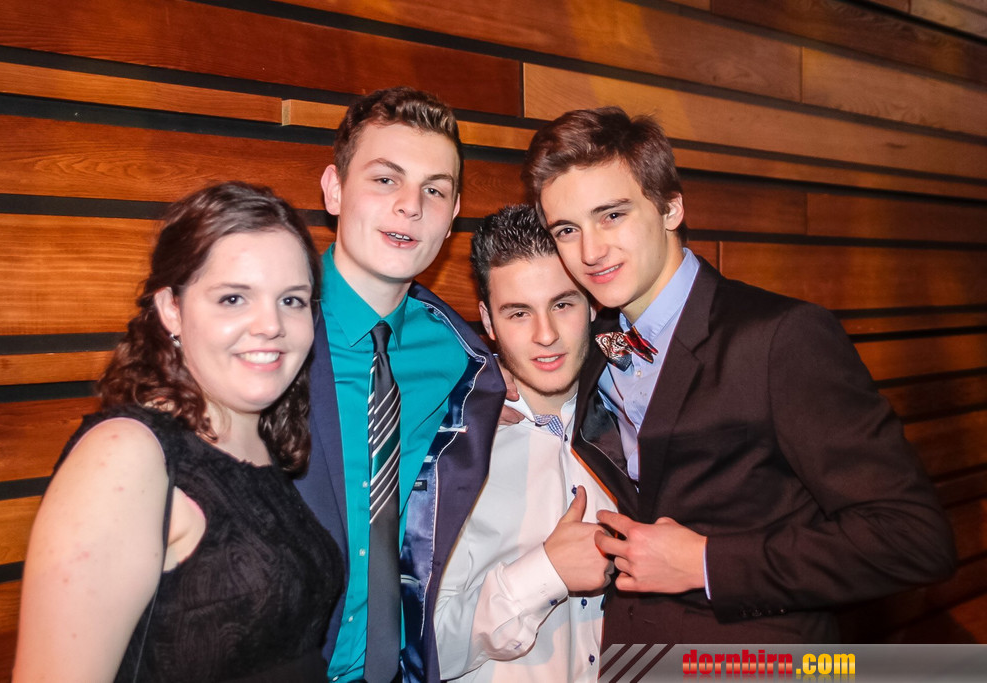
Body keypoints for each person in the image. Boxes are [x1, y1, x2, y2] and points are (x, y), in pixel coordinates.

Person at [521, 107, 957, 643]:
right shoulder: (593, 343)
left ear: (670, 208)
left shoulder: (781, 338)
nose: (590, 251)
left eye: (612, 215)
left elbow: (913, 539)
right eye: (567, 229)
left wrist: (707, 562)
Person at [13, 182, 343, 681]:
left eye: (292, 300)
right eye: (234, 298)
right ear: (171, 307)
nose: (270, 325)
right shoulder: (125, 454)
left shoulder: (260, 443)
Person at [294, 87, 506, 682]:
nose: (410, 206)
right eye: (386, 179)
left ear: (454, 211)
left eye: (433, 190)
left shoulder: (462, 360)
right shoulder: (267, 335)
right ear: (334, 190)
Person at [434, 204, 616, 681]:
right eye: (519, 313)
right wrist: (546, 573)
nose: (546, 335)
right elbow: (426, 648)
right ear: (488, 321)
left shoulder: (634, 422)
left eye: (563, 304)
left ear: (592, 304)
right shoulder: (448, 447)